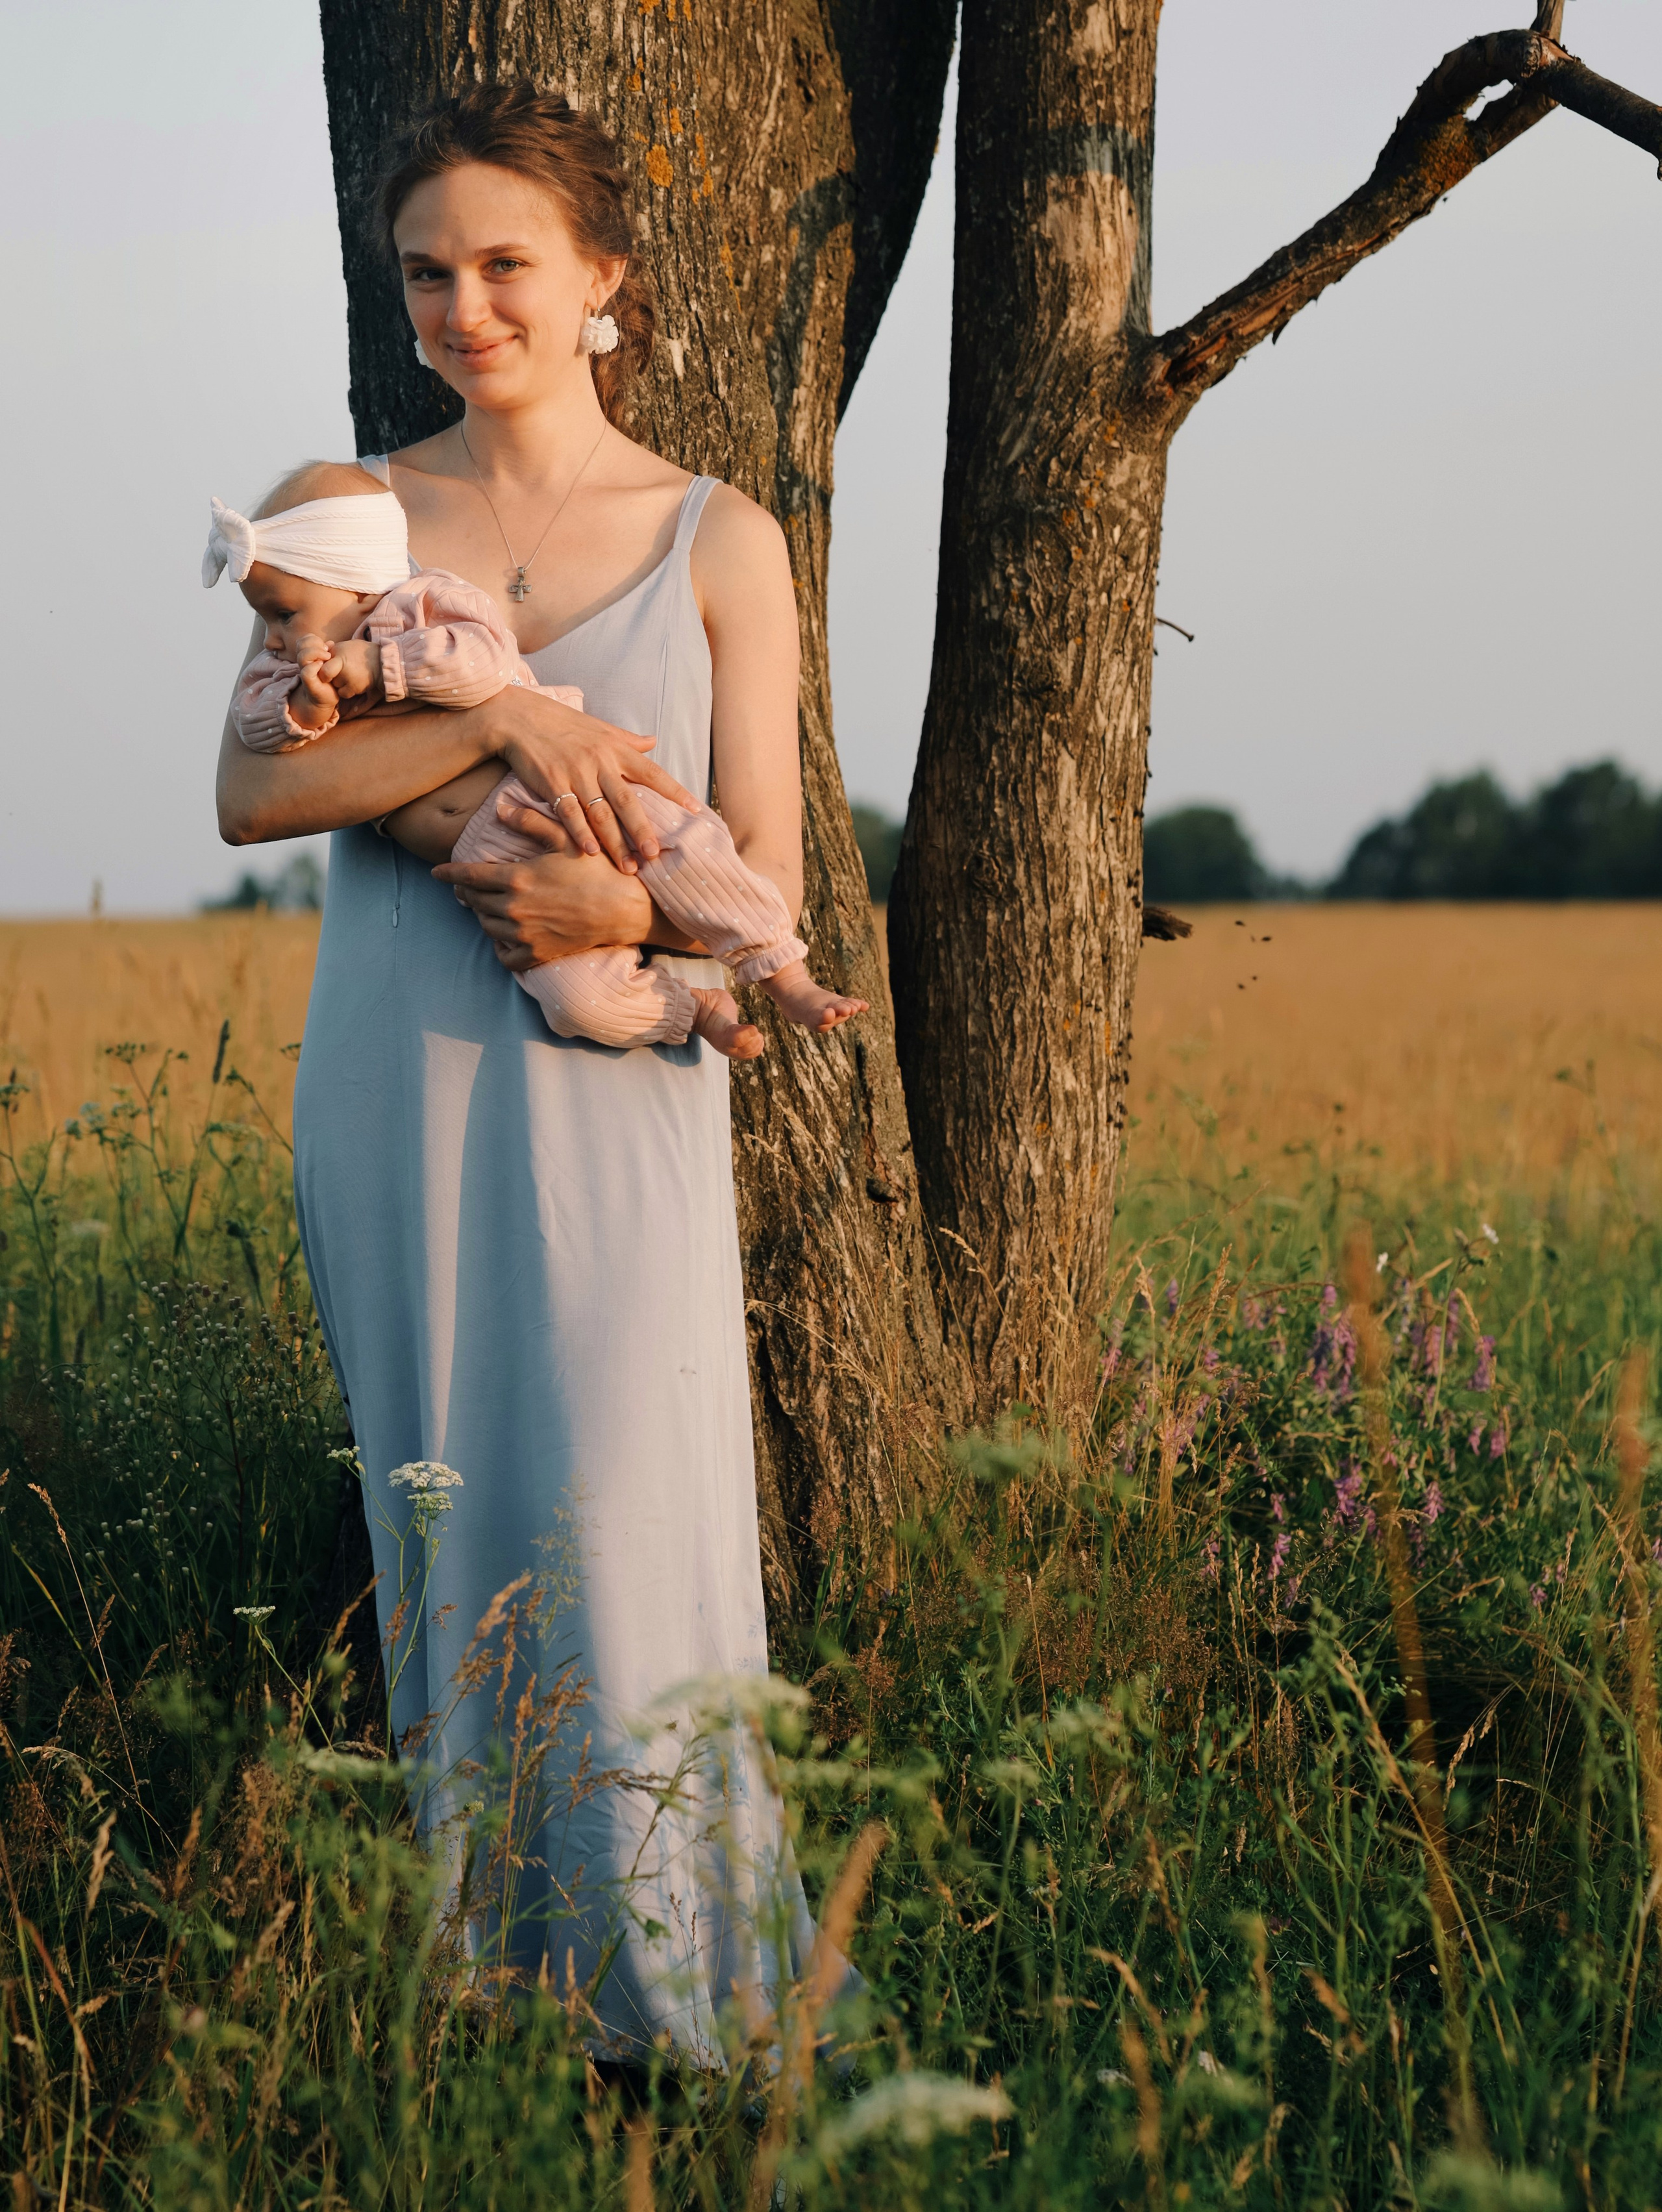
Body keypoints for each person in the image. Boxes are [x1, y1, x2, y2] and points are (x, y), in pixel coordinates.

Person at [215, 81, 852, 2062]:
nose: (463, 305)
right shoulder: (355, 507)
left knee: (629, 1501)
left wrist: (612, 920)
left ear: (603, 283)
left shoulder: (723, 539)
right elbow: (254, 785)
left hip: (626, 1094)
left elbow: (775, 877)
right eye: (427, 272)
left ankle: (689, 1998)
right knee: (446, 1530)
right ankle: (488, 1993)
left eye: (505, 265)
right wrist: (525, 745)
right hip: (394, 1084)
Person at [206, 465, 864, 1056]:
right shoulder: (293, 661)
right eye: (267, 617)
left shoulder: (419, 603)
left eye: (283, 614)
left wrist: (381, 666)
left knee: (691, 851)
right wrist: (303, 707)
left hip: (571, 799)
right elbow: (255, 756)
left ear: (352, 581)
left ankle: (785, 976)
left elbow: (482, 662)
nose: (273, 635)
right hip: (491, 861)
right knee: (578, 1003)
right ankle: (690, 1010)